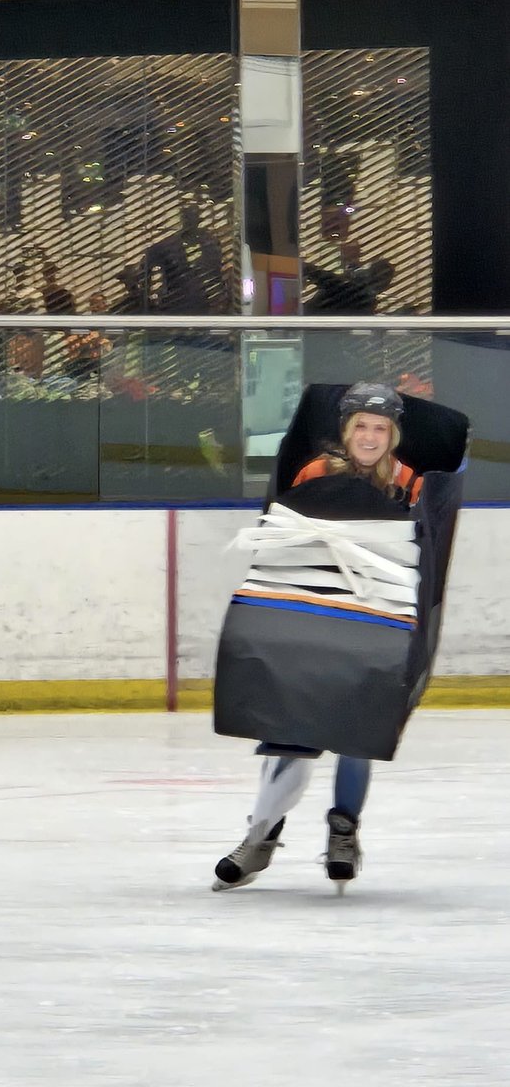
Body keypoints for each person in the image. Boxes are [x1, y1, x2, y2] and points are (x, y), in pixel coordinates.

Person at [213, 382, 420, 892]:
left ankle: (343, 833)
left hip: (373, 621)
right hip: (313, 615)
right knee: (292, 722)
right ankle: (261, 834)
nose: (370, 437)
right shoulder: (315, 473)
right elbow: (286, 541)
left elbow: (421, 551)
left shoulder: (411, 482)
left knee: (358, 731)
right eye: (361, 427)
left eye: (380, 428)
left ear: (392, 435)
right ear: (347, 430)